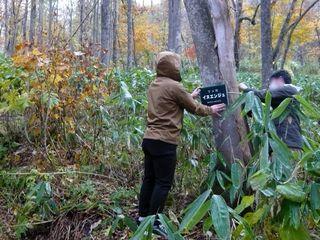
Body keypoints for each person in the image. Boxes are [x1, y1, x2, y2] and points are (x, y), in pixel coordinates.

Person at [138, 51, 225, 235]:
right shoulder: (175, 86)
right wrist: (211, 109)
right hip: (165, 141)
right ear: (174, 66)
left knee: (149, 179)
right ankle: (153, 222)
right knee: (163, 183)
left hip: (149, 139)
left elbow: (170, 104)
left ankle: (142, 217)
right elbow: (194, 109)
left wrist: (190, 95)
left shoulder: (155, 84)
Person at [239, 69, 303, 150]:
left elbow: (264, 95)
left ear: (280, 79)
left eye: (271, 82)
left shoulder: (289, 89)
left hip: (288, 143)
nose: (269, 86)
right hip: (280, 143)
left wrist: (245, 89)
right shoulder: (280, 100)